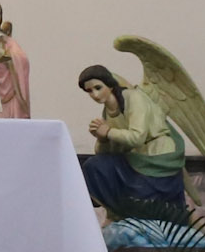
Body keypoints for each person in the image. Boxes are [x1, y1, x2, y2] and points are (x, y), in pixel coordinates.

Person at [78, 64, 188, 221]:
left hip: (157, 158)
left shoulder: (134, 98)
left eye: (98, 87)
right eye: (89, 91)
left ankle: (135, 215)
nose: (95, 94)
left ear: (109, 84)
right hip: (135, 157)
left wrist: (108, 132)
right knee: (94, 166)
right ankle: (119, 214)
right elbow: (109, 150)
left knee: (135, 189)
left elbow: (137, 137)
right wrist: (102, 137)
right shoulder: (108, 109)